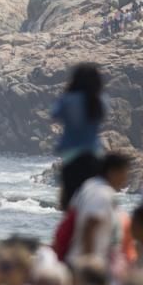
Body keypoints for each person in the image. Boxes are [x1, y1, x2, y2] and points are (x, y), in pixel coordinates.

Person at [52, 64, 106, 211]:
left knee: (70, 201)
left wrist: (66, 92)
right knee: (91, 198)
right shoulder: (99, 101)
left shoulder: (68, 100)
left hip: (71, 155)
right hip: (94, 154)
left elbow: (55, 114)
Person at [67, 153, 131, 266]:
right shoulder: (102, 193)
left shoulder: (89, 185)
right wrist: (89, 260)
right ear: (113, 172)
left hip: (76, 259)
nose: (125, 179)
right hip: (87, 266)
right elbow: (90, 225)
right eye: (124, 173)